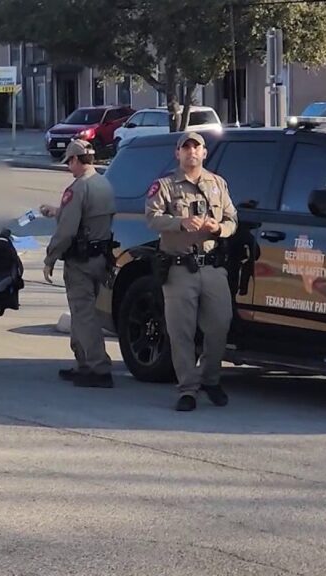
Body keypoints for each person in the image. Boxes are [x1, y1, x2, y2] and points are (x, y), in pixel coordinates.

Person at [145, 132, 238, 412]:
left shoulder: (217, 184)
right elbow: (152, 218)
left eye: (196, 147)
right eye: (185, 148)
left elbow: (232, 219)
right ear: (178, 154)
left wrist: (219, 228)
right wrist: (180, 223)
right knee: (181, 332)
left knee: (220, 325)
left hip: (212, 267)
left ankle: (210, 379)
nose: (191, 152)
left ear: (204, 153)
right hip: (179, 269)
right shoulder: (165, 185)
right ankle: (188, 388)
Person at [41, 140, 117, 388]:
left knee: (84, 315)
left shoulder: (78, 188)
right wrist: (57, 211)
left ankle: (97, 367)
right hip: (100, 258)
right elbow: (89, 217)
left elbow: (67, 231)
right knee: (84, 311)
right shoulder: (104, 183)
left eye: (69, 162)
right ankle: (83, 363)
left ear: (75, 160)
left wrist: (50, 257)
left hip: (80, 261)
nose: (68, 167)